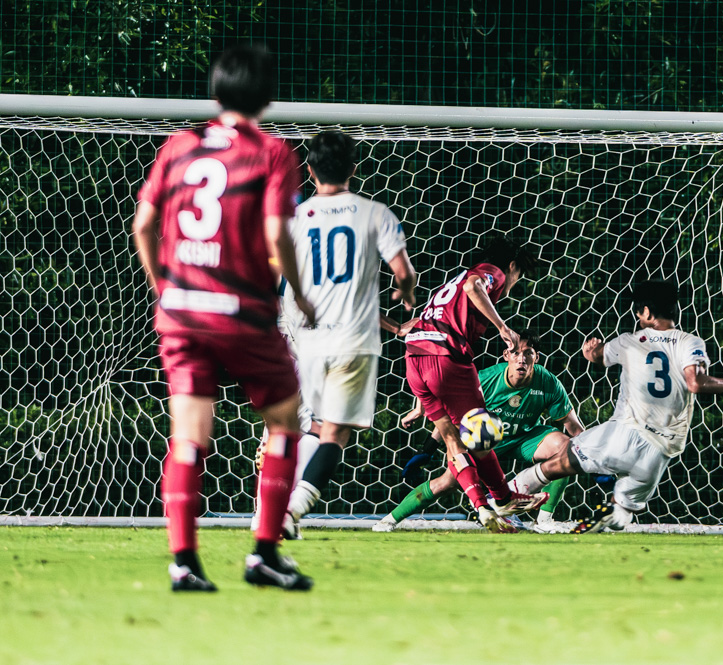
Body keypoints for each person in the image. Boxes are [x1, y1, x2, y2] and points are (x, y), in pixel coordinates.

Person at [132, 43, 316, 591]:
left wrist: (164, 289)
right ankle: (264, 553)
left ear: (215, 91)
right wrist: (299, 295)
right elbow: (275, 234)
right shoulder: (272, 153)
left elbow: (143, 225)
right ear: (268, 96)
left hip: (182, 312)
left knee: (188, 436)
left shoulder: (179, 145)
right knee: (284, 422)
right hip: (243, 311)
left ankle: (184, 562)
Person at [508, 280, 723, 533]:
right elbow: (696, 383)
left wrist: (590, 352)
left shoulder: (629, 341)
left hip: (622, 433)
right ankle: (613, 513)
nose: (637, 317)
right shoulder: (690, 342)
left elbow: (597, 356)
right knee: (624, 509)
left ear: (646, 312)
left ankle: (504, 497)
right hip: (661, 449)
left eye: (638, 312)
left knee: (557, 464)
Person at [265, 130, 416, 538]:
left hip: (308, 340)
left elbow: (275, 276)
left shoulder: (295, 218)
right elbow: (403, 272)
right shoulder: (376, 213)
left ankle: (276, 506)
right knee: (334, 432)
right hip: (354, 341)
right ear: (353, 168)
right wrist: (405, 292)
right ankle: (290, 511)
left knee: (310, 427)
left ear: (311, 171)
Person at [404, 236, 549, 533]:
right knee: (482, 434)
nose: (513, 284)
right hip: (447, 358)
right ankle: (504, 498)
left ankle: (482, 507)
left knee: (453, 442)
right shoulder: (491, 273)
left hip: (415, 361)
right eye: (518, 276)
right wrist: (502, 327)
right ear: (511, 266)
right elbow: (474, 287)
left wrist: (419, 405)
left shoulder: (450, 284)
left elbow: (419, 327)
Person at [374, 330, 584, 533]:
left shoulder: (548, 382)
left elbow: (574, 428)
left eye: (528, 353)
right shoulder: (485, 380)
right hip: (485, 443)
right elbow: (452, 415)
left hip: (524, 439)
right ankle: (388, 520)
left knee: (566, 450)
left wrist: (592, 455)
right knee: (446, 483)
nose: (521, 359)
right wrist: (428, 448)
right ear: (506, 355)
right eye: (516, 353)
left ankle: (544, 521)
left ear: (536, 357)